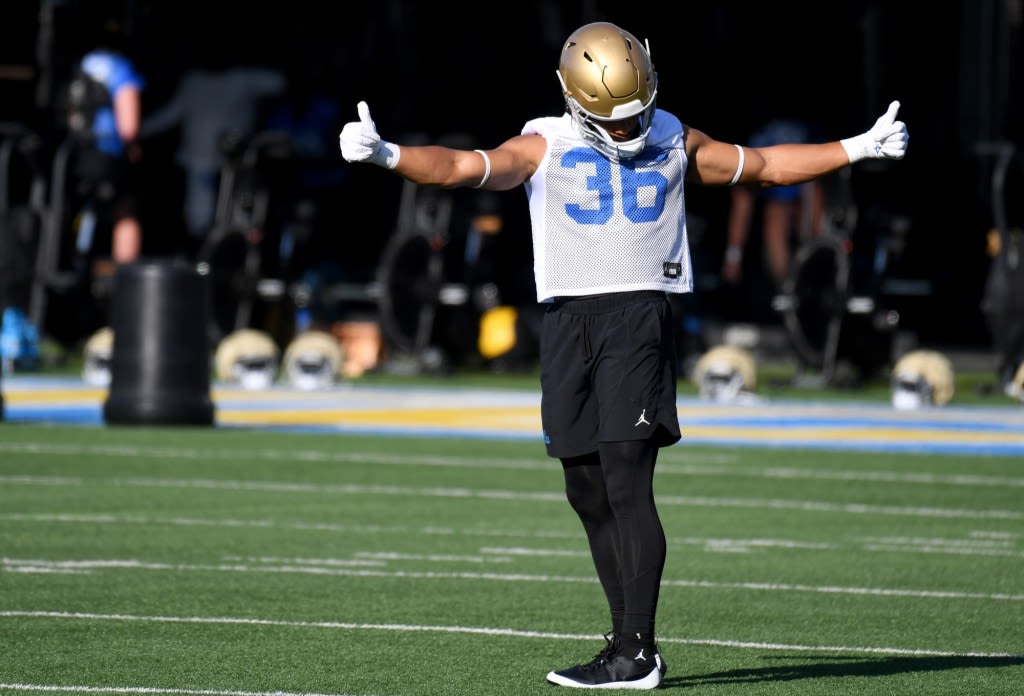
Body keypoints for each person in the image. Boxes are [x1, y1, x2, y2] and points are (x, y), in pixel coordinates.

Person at [338, 21, 908, 690]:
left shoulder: (673, 133)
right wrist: (388, 156)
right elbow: (466, 168)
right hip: (565, 322)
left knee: (627, 481)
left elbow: (766, 164)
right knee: (583, 485)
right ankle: (624, 643)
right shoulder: (543, 141)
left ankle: (638, 652)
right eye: (614, 118)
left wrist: (857, 146)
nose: (628, 128)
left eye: (636, 112)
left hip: (637, 319)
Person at [140, 42, 286, 253]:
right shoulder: (195, 82)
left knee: (240, 215)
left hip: (237, 163)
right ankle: (201, 257)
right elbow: (171, 114)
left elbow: (282, 82)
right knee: (199, 217)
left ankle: (235, 257)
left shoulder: (244, 79)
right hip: (199, 161)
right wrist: (137, 131)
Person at [722, 119, 826, 292]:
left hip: (809, 180)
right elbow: (742, 204)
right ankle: (787, 288)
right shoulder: (761, 138)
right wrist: (733, 257)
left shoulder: (810, 132)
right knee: (775, 217)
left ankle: (819, 269)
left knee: (812, 196)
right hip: (773, 179)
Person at [67, 40, 145, 265]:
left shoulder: (82, 62)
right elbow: (129, 125)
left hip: (78, 151)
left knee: (83, 205)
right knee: (126, 211)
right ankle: (124, 273)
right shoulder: (121, 67)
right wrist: (133, 147)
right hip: (108, 150)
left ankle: (75, 261)